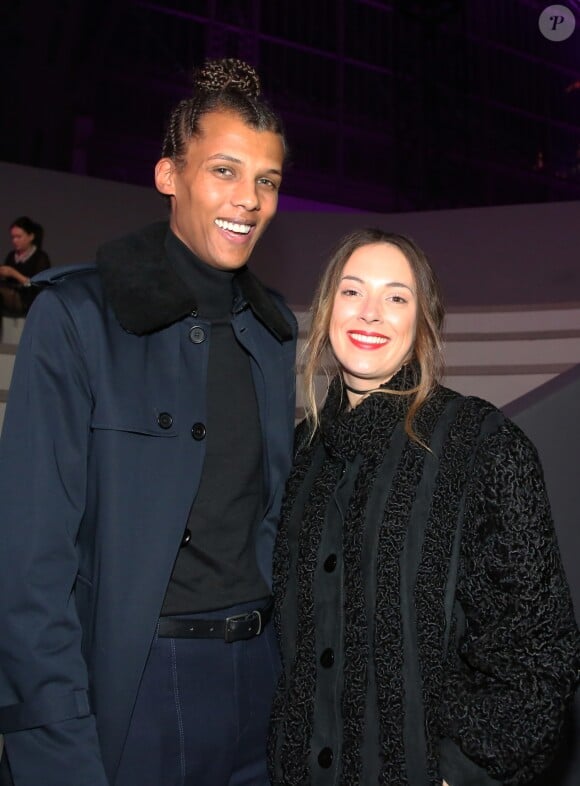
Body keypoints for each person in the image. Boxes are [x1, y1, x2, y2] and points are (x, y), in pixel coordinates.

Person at [0, 58, 297, 786]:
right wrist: (57, 744)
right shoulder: (77, 316)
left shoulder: (274, 331)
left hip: (265, 684)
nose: (249, 199)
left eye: (267, 180)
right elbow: (30, 561)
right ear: (169, 175)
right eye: (224, 171)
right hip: (139, 689)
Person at [269, 228, 580, 786]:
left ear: (422, 323)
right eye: (351, 292)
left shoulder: (482, 446)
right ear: (324, 311)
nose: (370, 314)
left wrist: (458, 774)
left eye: (395, 297)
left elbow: (539, 654)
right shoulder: (298, 458)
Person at [0, 216, 50, 316]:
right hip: (9, 298)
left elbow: (38, 287)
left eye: (18, 237)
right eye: (13, 237)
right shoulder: (11, 256)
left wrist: (14, 274)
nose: (15, 240)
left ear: (31, 236)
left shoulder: (40, 257)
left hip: (29, 301)